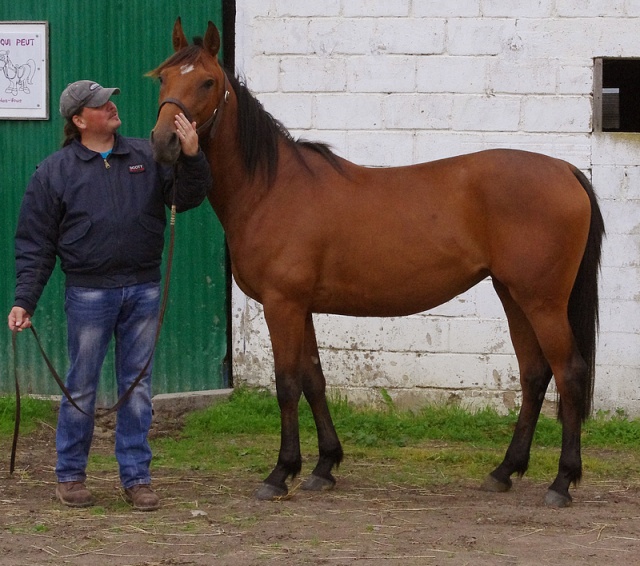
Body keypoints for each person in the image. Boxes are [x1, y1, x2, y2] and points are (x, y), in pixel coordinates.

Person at [7, 80, 211, 511]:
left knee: (137, 390)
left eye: (110, 99)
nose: (112, 106)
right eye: (100, 104)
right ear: (79, 120)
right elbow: (36, 244)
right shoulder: (54, 172)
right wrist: (25, 299)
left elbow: (186, 197)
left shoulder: (145, 155)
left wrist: (192, 156)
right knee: (80, 386)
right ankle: (70, 476)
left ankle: (137, 478)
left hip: (143, 289)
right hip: (88, 295)